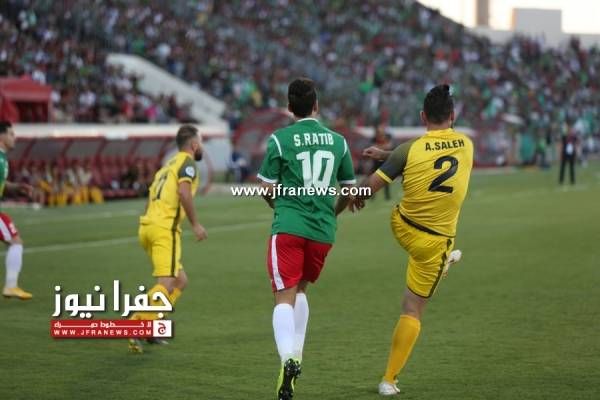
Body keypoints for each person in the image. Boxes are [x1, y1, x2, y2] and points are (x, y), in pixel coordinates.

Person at [352, 85, 473, 395]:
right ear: (453, 116)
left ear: (422, 116)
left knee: (431, 255)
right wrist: (389, 155)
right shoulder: (466, 145)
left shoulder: (409, 149)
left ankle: (443, 263)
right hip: (434, 243)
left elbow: (372, 185)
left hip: (401, 226)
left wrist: (356, 194)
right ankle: (388, 380)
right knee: (411, 309)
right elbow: (437, 155)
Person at [257, 78, 356, 400]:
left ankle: (288, 357)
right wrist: (332, 213)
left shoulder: (280, 139)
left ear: (289, 108)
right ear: (316, 105)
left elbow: (266, 188)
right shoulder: (339, 142)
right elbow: (350, 191)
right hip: (322, 232)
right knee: (301, 289)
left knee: (283, 295)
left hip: (289, 227)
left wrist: (280, 206)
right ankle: (296, 356)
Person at [128, 125, 208, 353]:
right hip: (165, 229)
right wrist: (195, 224)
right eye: (201, 143)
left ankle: (152, 328)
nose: (202, 147)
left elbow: (151, 197)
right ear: (194, 145)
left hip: (148, 227)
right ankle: (136, 323)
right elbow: (183, 192)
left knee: (180, 280)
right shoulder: (187, 163)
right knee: (166, 283)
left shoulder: (167, 166)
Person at [0, 122, 34, 300]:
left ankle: (11, 286)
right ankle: (11, 286)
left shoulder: (2, 158)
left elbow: (2, 184)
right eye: (11, 134)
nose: (15, 138)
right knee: (15, 242)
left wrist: (16, 188)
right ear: (2, 136)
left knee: (15, 241)